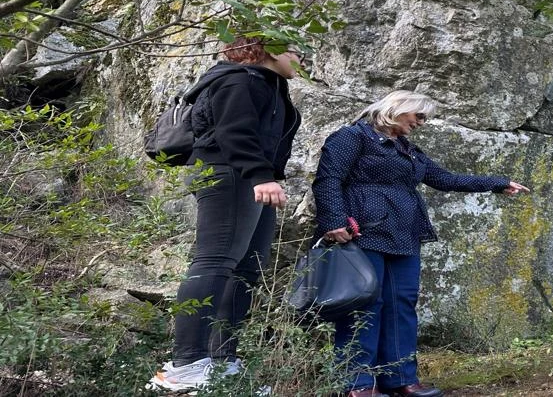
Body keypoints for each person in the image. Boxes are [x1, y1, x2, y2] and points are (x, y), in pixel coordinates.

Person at [311, 90, 530, 397]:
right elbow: (328, 178)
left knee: (402, 304)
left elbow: (446, 179)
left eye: (425, 118)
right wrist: (333, 221)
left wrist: (497, 182)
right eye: (419, 115)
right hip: (362, 234)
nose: (421, 122)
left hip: (403, 235)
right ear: (398, 108)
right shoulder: (352, 137)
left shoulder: (409, 150)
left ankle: (400, 380)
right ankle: (357, 386)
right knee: (363, 306)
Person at [149, 38, 304, 391]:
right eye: (296, 52)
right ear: (270, 49)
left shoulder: (267, 84)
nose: (300, 60)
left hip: (251, 178)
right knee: (214, 262)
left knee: (247, 268)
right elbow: (233, 132)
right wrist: (260, 175)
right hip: (231, 174)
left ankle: (222, 363)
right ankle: (185, 363)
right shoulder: (239, 80)